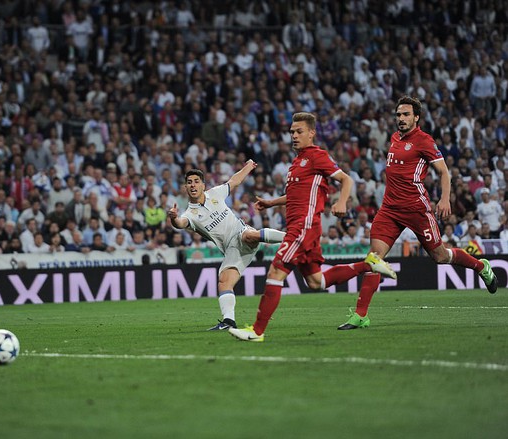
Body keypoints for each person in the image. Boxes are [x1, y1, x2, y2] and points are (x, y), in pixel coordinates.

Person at [228, 112, 395, 342]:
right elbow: (295, 195)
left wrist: (342, 201)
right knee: (317, 282)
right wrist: (271, 202)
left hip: (303, 226)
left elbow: (346, 179)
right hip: (302, 226)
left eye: (299, 132)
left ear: (311, 133)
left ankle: (256, 331)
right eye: (292, 132)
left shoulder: (317, 156)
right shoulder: (296, 162)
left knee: (275, 272)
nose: (294, 136)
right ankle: (369, 265)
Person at [337, 96, 498, 330]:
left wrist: (444, 199)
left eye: (405, 115)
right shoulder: (394, 138)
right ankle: (361, 315)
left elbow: (443, 172)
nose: (401, 119)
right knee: (374, 258)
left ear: (416, 117)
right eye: (398, 115)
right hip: (390, 210)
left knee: (440, 256)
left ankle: (481, 267)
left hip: (417, 209)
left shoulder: (424, 141)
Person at [168, 159, 287, 331]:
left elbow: (234, 181)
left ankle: (291, 237)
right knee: (224, 282)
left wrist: (249, 166)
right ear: (185, 188)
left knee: (248, 235)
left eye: (196, 181)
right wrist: (173, 218)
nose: (193, 185)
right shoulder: (190, 214)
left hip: (242, 233)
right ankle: (228, 321)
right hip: (232, 250)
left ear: (203, 185)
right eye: (189, 183)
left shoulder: (215, 193)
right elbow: (180, 223)